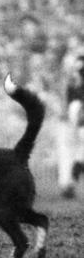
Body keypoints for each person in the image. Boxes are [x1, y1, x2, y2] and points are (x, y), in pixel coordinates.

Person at [57, 51, 84, 199]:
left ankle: (69, 183)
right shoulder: (71, 82)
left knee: (74, 153)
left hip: (74, 119)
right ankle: (68, 184)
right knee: (70, 153)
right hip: (72, 120)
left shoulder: (72, 79)